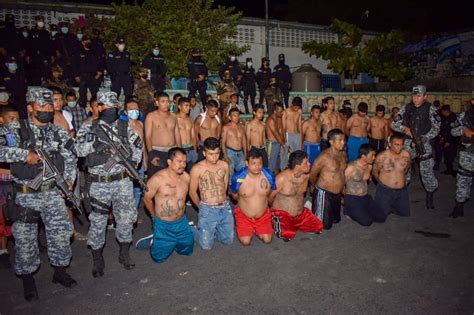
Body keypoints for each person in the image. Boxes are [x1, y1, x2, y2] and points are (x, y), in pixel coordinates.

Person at [0, 88, 78, 300]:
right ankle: (28, 279)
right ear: (30, 107)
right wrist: (24, 154)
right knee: (25, 239)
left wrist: (69, 181)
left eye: (49, 106)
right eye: (42, 106)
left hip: (53, 192)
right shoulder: (15, 129)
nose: (46, 109)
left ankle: (60, 272)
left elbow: (71, 157)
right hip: (26, 193)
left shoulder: (58, 131)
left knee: (61, 234)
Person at [75, 91, 142, 277]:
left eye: (114, 107)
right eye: (106, 106)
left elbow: (137, 145)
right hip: (98, 183)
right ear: (99, 107)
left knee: (126, 217)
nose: (110, 110)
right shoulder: (89, 127)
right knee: (97, 221)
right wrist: (96, 146)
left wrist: (134, 164)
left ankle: (124, 253)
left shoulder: (124, 126)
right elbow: (78, 149)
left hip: (122, 180)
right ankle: (97, 259)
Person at [391, 85, 440, 209]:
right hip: (408, 142)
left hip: (424, 143)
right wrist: (404, 129)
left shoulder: (431, 109)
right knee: (402, 168)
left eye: (419, 96)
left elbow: (436, 129)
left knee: (426, 171)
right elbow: (393, 124)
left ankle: (430, 195)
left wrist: (422, 138)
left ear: (425, 96)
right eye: (414, 96)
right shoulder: (406, 108)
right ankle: (401, 194)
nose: (416, 99)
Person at [141, 147, 193, 262]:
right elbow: (146, 198)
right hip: (163, 224)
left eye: (184, 162)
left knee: (187, 250)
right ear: (169, 162)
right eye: (179, 162)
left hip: (181, 222)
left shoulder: (186, 177)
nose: (183, 165)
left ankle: (185, 233)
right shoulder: (157, 179)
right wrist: (154, 216)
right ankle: (154, 240)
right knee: (158, 258)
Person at [189, 137, 233, 250]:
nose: (214, 157)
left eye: (217, 153)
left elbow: (225, 186)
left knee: (228, 241)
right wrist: (202, 208)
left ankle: (211, 230)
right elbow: (192, 192)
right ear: (204, 153)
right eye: (211, 154)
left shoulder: (224, 165)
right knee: (206, 246)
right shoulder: (197, 169)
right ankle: (191, 229)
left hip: (224, 207)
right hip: (207, 208)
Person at [270, 150, 323, 241]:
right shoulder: (282, 178)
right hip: (283, 215)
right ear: (298, 166)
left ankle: (297, 224)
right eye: (306, 162)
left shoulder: (306, 175)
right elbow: (269, 196)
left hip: (301, 214)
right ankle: (274, 220)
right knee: (287, 235)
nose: (309, 164)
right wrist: (273, 211)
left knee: (318, 227)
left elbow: (315, 184)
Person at [230, 148, 275, 245]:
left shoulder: (269, 176)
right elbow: (233, 194)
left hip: (262, 215)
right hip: (244, 215)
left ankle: (258, 228)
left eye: (259, 163)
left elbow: (271, 191)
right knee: (246, 242)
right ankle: (242, 221)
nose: (257, 167)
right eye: (254, 163)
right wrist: (243, 202)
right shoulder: (238, 178)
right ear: (246, 163)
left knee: (267, 240)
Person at [309, 128, 347, 230]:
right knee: (324, 225)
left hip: (337, 194)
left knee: (336, 220)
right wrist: (314, 186)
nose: (343, 142)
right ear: (331, 142)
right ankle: (314, 205)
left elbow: (342, 173)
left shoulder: (343, 154)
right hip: (324, 193)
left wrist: (343, 189)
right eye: (340, 140)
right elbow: (312, 174)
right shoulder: (323, 157)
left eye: (344, 140)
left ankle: (316, 207)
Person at [371, 133, 412, 222]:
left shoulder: (406, 155)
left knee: (404, 214)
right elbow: (374, 172)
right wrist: (381, 184)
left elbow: (407, 168)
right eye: (396, 145)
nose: (399, 147)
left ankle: (392, 206)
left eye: (401, 145)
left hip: (401, 191)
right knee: (379, 218)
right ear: (389, 144)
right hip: (385, 190)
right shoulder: (382, 156)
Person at [145, 92, 181, 178]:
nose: (166, 104)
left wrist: (180, 152)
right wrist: (151, 155)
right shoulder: (151, 116)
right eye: (163, 101)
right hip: (157, 151)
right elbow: (147, 136)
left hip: (172, 152)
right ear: (157, 103)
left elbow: (177, 135)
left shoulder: (173, 116)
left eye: (168, 101)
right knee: (156, 180)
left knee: (173, 180)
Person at [0, 106, 19, 269]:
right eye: (11, 118)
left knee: (20, 217)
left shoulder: (19, 135)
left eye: (17, 118)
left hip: (17, 183)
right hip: (2, 183)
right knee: (2, 220)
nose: (15, 121)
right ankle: (3, 250)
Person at [343, 144, 379, 226]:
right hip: (352, 197)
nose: (374, 158)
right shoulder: (351, 167)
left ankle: (360, 210)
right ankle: (348, 210)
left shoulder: (369, 166)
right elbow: (341, 183)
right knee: (367, 222)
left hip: (365, 196)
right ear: (363, 156)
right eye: (372, 155)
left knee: (380, 217)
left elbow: (366, 180)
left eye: (375, 155)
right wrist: (345, 198)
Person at [449, 103, 474, 218]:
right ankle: (459, 208)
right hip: (468, 154)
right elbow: (453, 131)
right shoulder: (464, 116)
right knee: (463, 181)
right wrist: (463, 130)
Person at [122, 100, 146, 210]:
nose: (134, 111)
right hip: (128, 163)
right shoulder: (122, 126)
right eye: (131, 109)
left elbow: (143, 144)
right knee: (127, 190)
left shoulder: (141, 124)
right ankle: (126, 215)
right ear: (126, 112)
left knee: (138, 189)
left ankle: (134, 213)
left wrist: (145, 161)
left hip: (140, 162)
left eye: (136, 109)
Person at [72, 35, 103, 108]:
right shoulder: (78, 53)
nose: (88, 42)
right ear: (83, 42)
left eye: (89, 41)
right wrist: (76, 75)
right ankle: (83, 109)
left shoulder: (95, 52)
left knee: (96, 95)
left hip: (93, 76)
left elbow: (101, 63)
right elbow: (74, 65)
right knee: (82, 94)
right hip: (83, 76)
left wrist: (100, 72)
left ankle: (96, 109)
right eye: (86, 40)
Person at [26, 16, 52, 86]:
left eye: (42, 21)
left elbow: (50, 46)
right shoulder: (31, 33)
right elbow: (28, 45)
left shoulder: (46, 33)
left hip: (45, 57)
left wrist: (51, 55)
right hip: (34, 58)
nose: (41, 22)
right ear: (35, 22)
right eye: (39, 21)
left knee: (45, 76)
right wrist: (28, 55)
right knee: (35, 76)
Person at [222, 108, 247, 179]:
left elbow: (244, 141)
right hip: (230, 152)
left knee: (242, 173)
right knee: (230, 174)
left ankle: (240, 189)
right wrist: (225, 156)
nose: (237, 117)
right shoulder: (226, 127)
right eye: (234, 115)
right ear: (230, 117)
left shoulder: (242, 127)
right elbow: (223, 142)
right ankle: (230, 189)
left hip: (240, 153)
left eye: (238, 115)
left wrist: (245, 153)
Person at [434, 104, 458, 175]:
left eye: (442, 111)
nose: (441, 112)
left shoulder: (453, 118)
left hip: (450, 141)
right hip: (441, 138)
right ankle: (437, 165)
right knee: (438, 152)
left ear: (445, 111)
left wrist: (448, 141)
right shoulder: (445, 116)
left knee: (448, 156)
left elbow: (453, 132)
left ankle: (450, 170)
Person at [107, 37, 133, 102]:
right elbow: (108, 66)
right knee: (114, 95)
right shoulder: (112, 54)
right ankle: (114, 110)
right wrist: (112, 74)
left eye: (123, 44)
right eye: (120, 44)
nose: (122, 45)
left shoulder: (127, 54)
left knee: (128, 94)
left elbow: (129, 65)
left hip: (126, 76)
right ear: (116, 45)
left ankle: (127, 109)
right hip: (116, 76)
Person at [176, 97, 198, 172]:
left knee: (192, 172)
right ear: (179, 106)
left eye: (189, 106)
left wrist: (194, 149)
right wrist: (178, 150)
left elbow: (193, 135)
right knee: (180, 172)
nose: (188, 108)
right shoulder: (174, 118)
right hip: (181, 148)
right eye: (186, 105)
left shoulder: (190, 119)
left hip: (191, 148)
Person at [266, 102, 286, 173]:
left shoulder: (278, 118)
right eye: (280, 112)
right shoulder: (271, 120)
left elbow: (281, 131)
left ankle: (277, 182)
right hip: (272, 144)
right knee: (271, 166)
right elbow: (276, 134)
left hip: (278, 143)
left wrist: (284, 142)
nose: (282, 113)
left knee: (278, 166)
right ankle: (270, 183)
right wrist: (284, 145)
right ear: (275, 111)